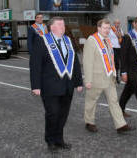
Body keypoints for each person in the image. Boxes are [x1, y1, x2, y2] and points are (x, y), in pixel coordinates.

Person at [30, 16, 83, 153]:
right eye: (60, 25)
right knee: (52, 114)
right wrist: (35, 86)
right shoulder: (42, 41)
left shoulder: (68, 40)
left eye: (64, 25)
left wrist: (78, 82)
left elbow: (75, 62)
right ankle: (50, 140)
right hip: (50, 86)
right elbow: (35, 65)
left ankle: (59, 139)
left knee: (63, 115)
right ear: (52, 27)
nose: (63, 27)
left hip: (67, 85)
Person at [83, 19, 131, 134]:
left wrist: (114, 74)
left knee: (114, 101)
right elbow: (87, 61)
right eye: (105, 28)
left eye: (108, 28)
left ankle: (121, 125)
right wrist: (88, 80)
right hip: (96, 78)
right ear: (98, 28)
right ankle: (89, 122)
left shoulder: (108, 40)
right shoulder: (92, 40)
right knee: (91, 101)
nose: (107, 30)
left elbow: (110, 59)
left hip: (109, 77)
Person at [108, 19, 124, 83]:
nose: (117, 24)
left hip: (119, 48)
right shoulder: (110, 30)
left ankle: (119, 74)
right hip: (113, 48)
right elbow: (107, 38)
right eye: (116, 23)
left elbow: (122, 37)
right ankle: (116, 76)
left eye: (118, 23)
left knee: (121, 61)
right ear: (114, 23)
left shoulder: (120, 30)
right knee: (116, 62)